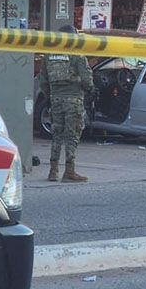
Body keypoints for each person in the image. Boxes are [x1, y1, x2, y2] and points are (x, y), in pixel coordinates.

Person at [39, 25, 93, 182]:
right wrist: (90, 90)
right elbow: (86, 79)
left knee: (56, 134)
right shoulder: (77, 54)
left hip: (56, 100)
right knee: (72, 135)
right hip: (73, 99)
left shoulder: (49, 55)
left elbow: (43, 80)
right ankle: (69, 171)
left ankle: (53, 171)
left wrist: (50, 96)